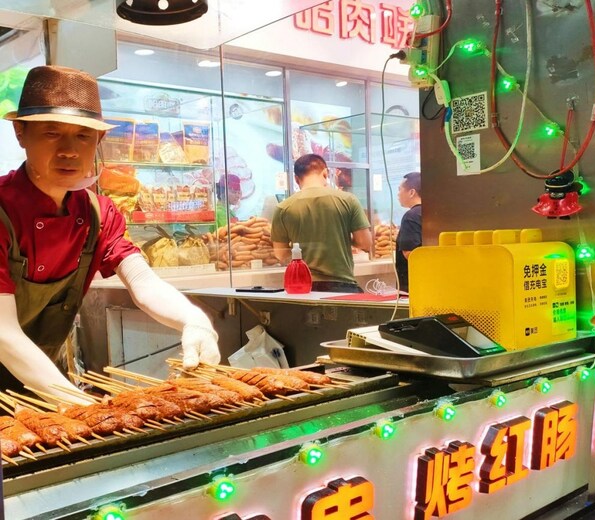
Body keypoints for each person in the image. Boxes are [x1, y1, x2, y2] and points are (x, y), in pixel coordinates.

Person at [0, 65, 220, 403]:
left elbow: (143, 283)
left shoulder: (98, 214)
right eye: (52, 133)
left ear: (99, 141)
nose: (70, 150)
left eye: (83, 135)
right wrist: (79, 404)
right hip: (35, 376)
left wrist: (194, 319)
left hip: (36, 382)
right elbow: (3, 334)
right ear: (21, 134)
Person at [271, 154, 372, 293]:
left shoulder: (283, 208)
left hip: (303, 288)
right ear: (325, 173)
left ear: (296, 179)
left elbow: (280, 254)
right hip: (343, 285)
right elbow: (365, 243)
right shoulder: (348, 200)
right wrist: (342, 238)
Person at [395, 172, 422, 293]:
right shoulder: (433, 213)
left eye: (400, 189)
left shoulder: (410, 216)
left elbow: (411, 254)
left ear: (411, 192)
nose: (398, 194)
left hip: (412, 288)